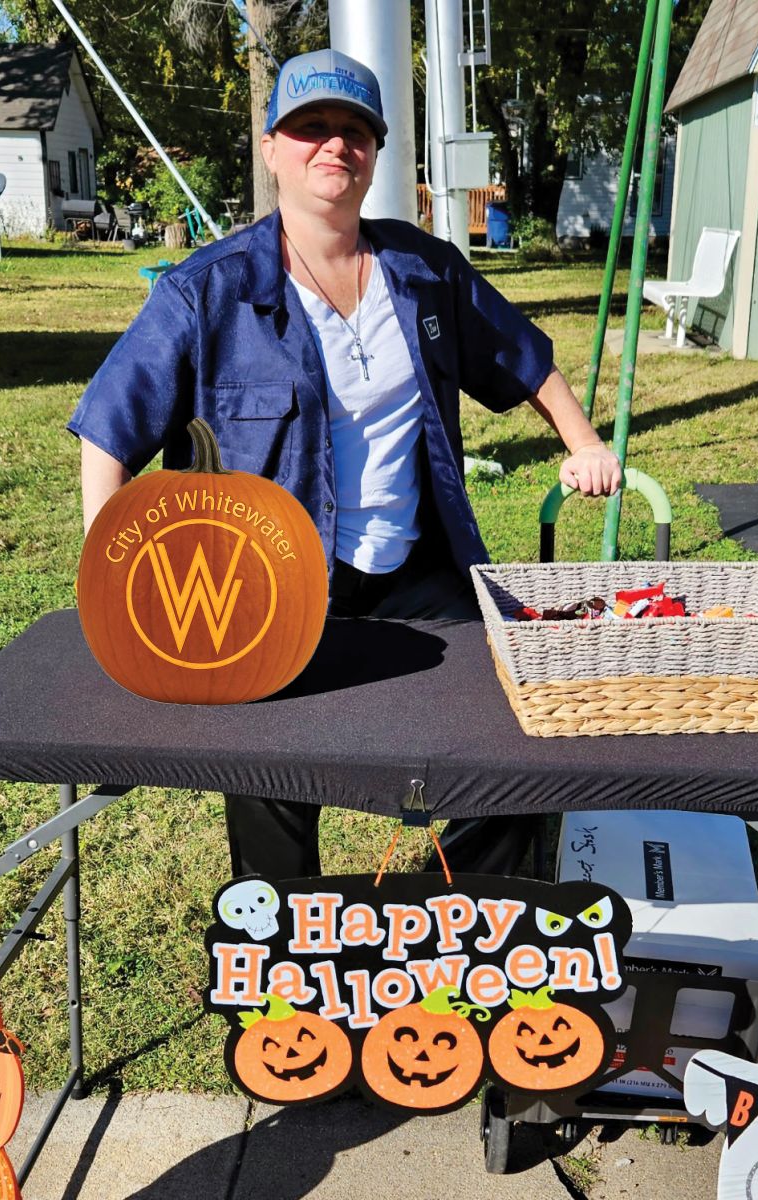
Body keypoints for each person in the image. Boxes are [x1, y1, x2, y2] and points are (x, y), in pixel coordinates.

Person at [69, 49, 621, 880]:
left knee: (510, 739)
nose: (334, 146)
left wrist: (582, 441)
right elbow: (110, 432)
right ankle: (284, 957)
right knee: (271, 770)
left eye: (354, 131)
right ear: (271, 148)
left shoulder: (424, 270)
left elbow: (523, 359)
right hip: (266, 583)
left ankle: (474, 923)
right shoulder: (205, 293)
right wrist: (116, 586)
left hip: (418, 571)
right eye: (311, 128)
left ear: (376, 151)